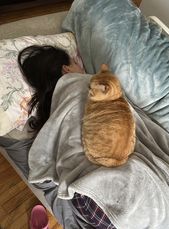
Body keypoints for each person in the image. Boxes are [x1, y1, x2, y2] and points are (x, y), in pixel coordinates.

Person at [18, 45, 116, 229]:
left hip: (87, 199)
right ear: (67, 69)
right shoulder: (84, 85)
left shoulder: (50, 113)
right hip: (100, 196)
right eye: (75, 62)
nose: (81, 67)